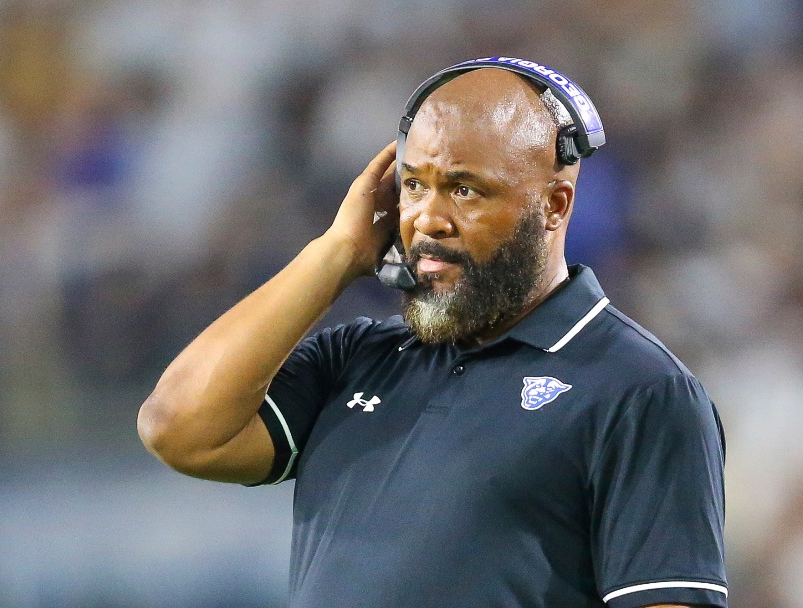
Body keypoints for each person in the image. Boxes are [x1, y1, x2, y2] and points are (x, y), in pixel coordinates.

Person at [137, 60, 728, 608]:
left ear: (554, 204)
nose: (427, 218)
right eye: (414, 185)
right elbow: (180, 429)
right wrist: (336, 254)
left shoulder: (640, 390)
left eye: (465, 189)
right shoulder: (359, 357)